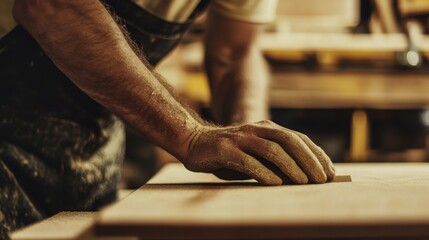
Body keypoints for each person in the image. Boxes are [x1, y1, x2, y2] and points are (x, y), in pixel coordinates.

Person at [0, 0, 335, 238]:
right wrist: (190, 136)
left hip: (89, 154)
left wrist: (250, 146)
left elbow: (235, 54)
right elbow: (53, 8)